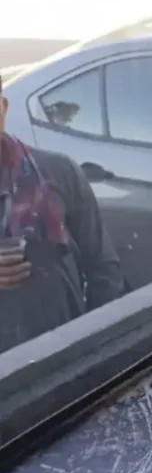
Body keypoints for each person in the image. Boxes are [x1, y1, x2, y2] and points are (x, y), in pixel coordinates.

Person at [0, 73, 125, 354]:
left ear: (3, 108)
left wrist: (97, 345)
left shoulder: (59, 171)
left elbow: (103, 267)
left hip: (60, 349)